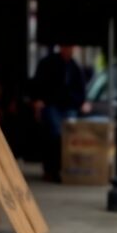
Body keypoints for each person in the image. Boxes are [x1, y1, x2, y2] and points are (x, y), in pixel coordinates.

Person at [29, 45, 90, 182]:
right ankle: (53, 170)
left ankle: (66, 169)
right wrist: (38, 100)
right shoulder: (48, 63)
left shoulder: (75, 67)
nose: (69, 50)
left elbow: (80, 90)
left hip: (69, 106)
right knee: (55, 135)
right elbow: (38, 83)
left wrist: (81, 103)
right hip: (52, 105)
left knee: (69, 137)